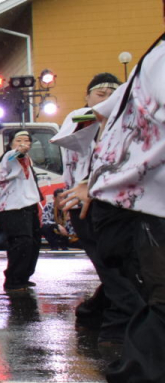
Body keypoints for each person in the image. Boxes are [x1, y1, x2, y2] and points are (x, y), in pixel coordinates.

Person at [62, 15, 165, 383]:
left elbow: (116, 116)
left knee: (149, 303)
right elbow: (102, 122)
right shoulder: (154, 62)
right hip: (134, 207)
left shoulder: (148, 65)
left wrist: (94, 179)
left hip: (125, 203)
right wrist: (93, 180)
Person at [52, 72, 139, 342]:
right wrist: (103, 111)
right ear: (87, 96)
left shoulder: (128, 121)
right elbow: (71, 138)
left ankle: (94, 313)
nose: (107, 98)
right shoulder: (78, 117)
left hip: (117, 203)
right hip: (83, 205)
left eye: (113, 94)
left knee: (120, 266)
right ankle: (122, 325)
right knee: (109, 266)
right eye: (100, 94)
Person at [0, 130, 42, 291]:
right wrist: (19, 151)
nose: (23, 143)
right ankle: (13, 279)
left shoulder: (28, 160)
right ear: (11, 144)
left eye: (27, 141)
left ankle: (23, 277)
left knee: (33, 242)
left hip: (28, 205)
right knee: (22, 242)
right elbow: (14, 155)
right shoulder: (9, 156)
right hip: (12, 207)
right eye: (18, 140)